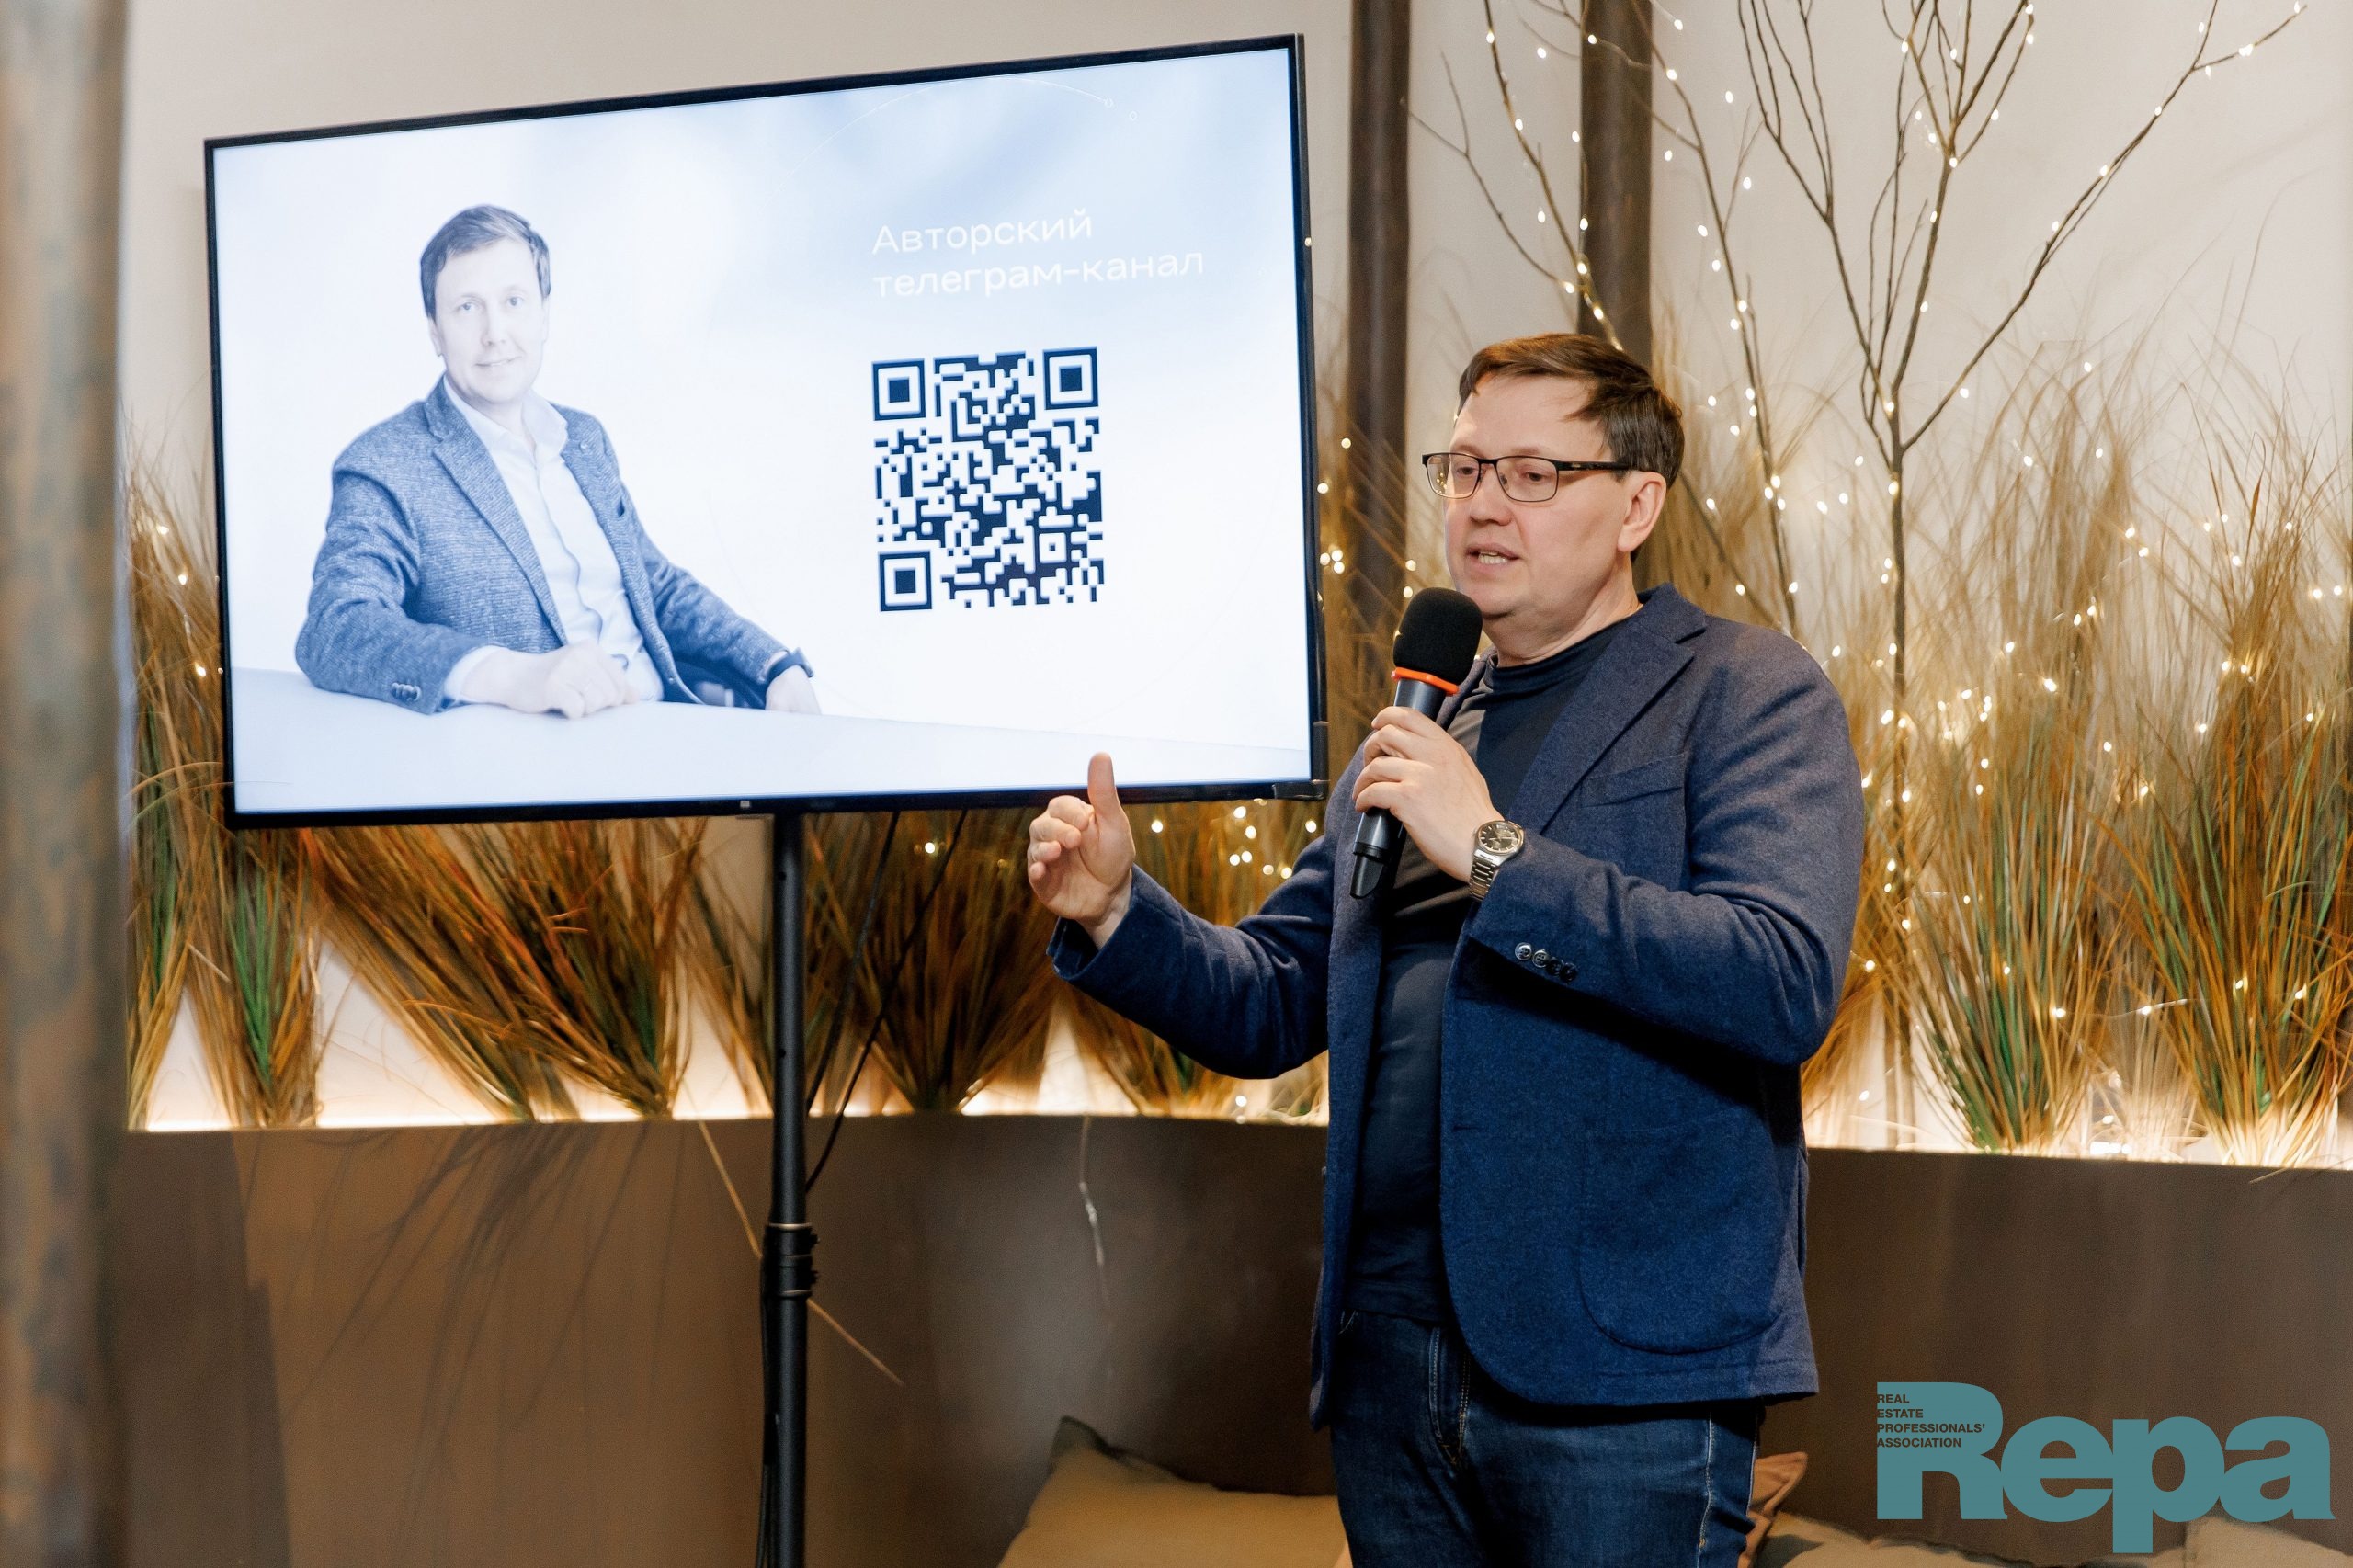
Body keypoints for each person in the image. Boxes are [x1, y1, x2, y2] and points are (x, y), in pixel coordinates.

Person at [1025, 334, 1865, 1567]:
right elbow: (1275, 996)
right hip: (1390, 1360)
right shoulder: (1419, 728)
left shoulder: (1742, 690)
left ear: (1636, 505)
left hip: (1618, 1377)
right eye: (1465, 468)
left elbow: (1777, 978)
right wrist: (1114, 909)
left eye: (1532, 474)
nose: (1482, 503)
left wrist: (1492, 852)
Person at [294, 204, 816, 719]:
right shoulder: (386, 464)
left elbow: (653, 584)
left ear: (544, 314)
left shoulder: (583, 439)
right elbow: (336, 626)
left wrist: (773, 664)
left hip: (668, 727)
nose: (495, 332)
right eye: (467, 308)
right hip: (545, 757)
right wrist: (513, 675)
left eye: (514, 301)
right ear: (434, 330)